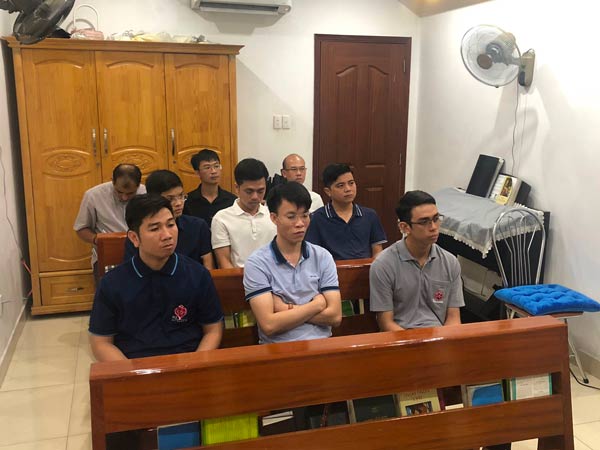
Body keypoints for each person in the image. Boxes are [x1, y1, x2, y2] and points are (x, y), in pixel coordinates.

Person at [89, 194, 223, 361]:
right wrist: (132, 372)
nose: (167, 235)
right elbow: (101, 342)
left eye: (171, 224)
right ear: (134, 238)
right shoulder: (112, 283)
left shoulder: (197, 274)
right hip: (135, 364)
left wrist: (194, 366)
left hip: (187, 361)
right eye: (154, 228)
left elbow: (213, 330)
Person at [243, 182, 341, 344]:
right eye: (291, 217)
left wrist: (286, 309)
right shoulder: (257, 263)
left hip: (321, 345)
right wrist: (316, 305)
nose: (300, 223)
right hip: (278, 349)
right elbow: (269, 325)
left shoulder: (322, 256)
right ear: (274, 218)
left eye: (305, 215)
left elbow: (335, 316)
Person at [369, 190, 464, 331]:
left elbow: (454, 318)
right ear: (405, 227)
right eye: (424, 222)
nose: (433, 227)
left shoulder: (450, 262)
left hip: (439, 335)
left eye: (436, 219)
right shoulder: (383, 265)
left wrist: (443, 340)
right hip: (401, 337)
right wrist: (415, 343)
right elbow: (386, 323)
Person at [123, 169, 214, 269]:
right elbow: (131, 268)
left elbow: (208, 263)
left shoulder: (197, 226)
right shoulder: (140, 231)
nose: (179, 203)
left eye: (181, 196)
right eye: (170, 199)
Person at [74, 164, 146, 276]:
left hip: (142, 255)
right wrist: (97, 240)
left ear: (138, 185)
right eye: (119, 192)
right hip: (107, 258)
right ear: (112, 181)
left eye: (130, 193)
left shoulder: (147, 193)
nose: (124, 197)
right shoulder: (93, 195)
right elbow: (81, 228)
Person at [305, 163, 386, 260]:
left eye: (351, 183)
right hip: (332, 268)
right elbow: (313, 254)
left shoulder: (370, 215)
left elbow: (377, 251)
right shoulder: (317, 218)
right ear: (328, 191)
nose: (348, 189)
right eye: (340, 185)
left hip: (366, 267)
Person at [211, 158, 276, 268]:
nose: (255, 197)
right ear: (237, 188)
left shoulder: (273, 214)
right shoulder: (222, 219)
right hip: (239, 276)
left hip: (273, 275)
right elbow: (224, 261)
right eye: (249, 191)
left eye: (260, 191)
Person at [184, 149, 237, 228]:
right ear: (197, 173)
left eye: (216, 166)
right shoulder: (188, 201)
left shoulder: (232, 200)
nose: (213, 171)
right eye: (207, 167)